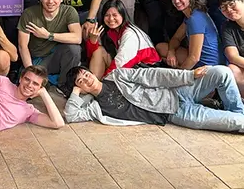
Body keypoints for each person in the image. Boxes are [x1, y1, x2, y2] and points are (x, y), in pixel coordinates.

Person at [65, 64, 244, 133]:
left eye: (86, 74)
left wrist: (188, 76)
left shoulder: (117, 76)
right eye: (80, 81)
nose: (87, 80)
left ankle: (237, 108)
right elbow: (71, 116)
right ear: (80, 88)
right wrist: (74, 92)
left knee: (223, 72)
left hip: (177, 92)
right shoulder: (96, 108)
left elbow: (152, 75)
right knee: (236, 122)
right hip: (175, 113)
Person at [17, 0, 82, 92]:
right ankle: (44, 80)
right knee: (31, 88)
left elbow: (77, 38)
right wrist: (31, 71)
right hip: (36, 60)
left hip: (56, 56)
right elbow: (22, 46)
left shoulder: (69, 11)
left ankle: (63, 85)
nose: (50, 1)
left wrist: (48, 35)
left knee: (74, 49)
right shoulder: (29, 13)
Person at [86, 0, 160, 77]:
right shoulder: (107, 30)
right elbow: (92, 57)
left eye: (115, 15)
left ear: (122, 15)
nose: (111, 19)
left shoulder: (130, 34)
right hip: (130, 67)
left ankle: (96, 86)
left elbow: (121, 63)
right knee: (99, 51)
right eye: (107, 15)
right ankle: (93, 85)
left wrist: (104, 82)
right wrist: (93, 41)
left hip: (146, 70)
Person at [157, 0, 221, 69]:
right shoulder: (191, 15)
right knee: (161, 48)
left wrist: (180, 76)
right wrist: (171, 52)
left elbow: (194, 58)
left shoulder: (195, 18)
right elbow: (176, 38)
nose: (176, 1)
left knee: (168, 60)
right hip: (198, 58)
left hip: (207, 65)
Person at [219, 0, 244, 94]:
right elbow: (232, 56)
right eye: (223, 8)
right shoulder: (227, 27)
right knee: (232, 69)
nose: (228, 10)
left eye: (231, 4)